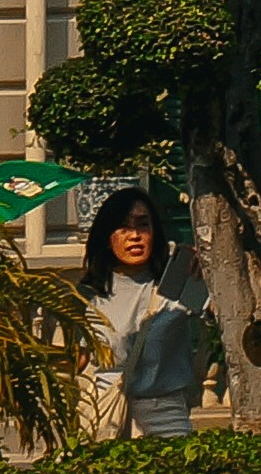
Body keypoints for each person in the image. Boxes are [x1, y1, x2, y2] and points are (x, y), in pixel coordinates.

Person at [81, 184, 205, 441]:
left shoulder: (177, 282)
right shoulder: (89, 294)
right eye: (124, 227)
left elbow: (220, 317)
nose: (134, 236)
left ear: (155, 232)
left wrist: (209, 270)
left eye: (143, 225)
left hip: (166, 415)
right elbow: (75, 361)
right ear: (107, 236)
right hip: (105, 413)